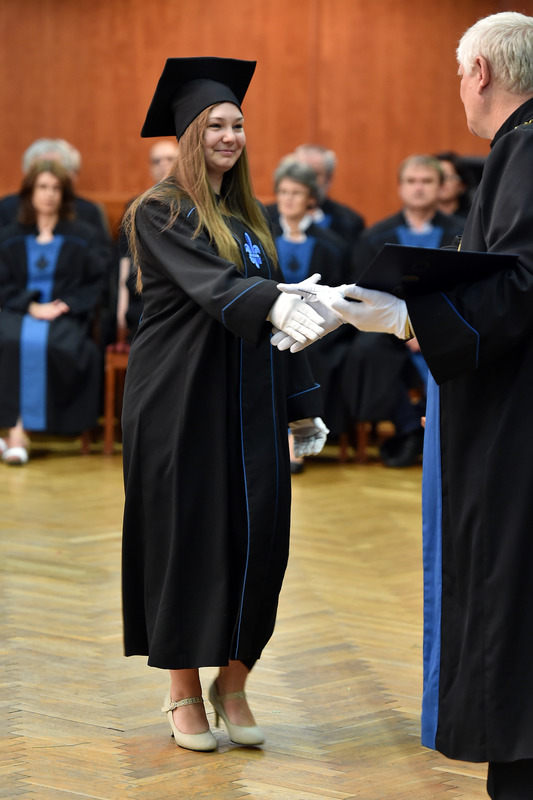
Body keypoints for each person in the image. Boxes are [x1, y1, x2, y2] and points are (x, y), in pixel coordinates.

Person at [282, 12, 533, 798]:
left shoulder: (524, 147)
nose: (458, 88)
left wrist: (407, 317)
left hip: (513, 422)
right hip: (505, 405)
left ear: (480, 73)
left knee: (507, 586)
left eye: (459, 74)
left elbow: (519, 285)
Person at [120, 56, 330, 753]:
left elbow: (279, 319)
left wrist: (301, 402)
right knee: (186, 541)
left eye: (238, 124)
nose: (230, 136)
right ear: (189, 134)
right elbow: (216, 288)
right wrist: (281, 299)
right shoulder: (159, 210)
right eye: (215, 125)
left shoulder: (251, 215)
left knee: (260, 540)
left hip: (251, 401)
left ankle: (233, 682)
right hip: (180, 401)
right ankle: (182, 689)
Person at [343, 154, 464, 467]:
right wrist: (405, 327)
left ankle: (431, 428)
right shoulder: (375, 236)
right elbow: (365, 291)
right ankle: (409, 424)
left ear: (441, 187)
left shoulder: (463, 233)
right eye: (411, 181)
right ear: (400, 187)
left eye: (427, 181)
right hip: (387, 326)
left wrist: (426, 326)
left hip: (446, 322)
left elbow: (466, 287)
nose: (418, 188)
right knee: (365, 350)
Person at [0, 160, 107, 464]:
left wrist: (65, 304)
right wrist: (30, 305)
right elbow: (2, 283)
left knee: (55, 345)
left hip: (64, 314)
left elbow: (96, 282)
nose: (49, 194)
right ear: (30, 193)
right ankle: (16, 433)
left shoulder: (84, 235)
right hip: (17, 309)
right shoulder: (8, 236)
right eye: (42, 187)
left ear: (64, 194)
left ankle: (15, 435)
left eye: (56, 188)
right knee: (9, 340)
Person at [271, 156, 353, 469]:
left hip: (319, 329)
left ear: (311, 199)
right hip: (270, 322)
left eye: (296, 192)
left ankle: (298, 436)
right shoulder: (261, 234)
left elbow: (340, 294)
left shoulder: (332, 244)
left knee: (308, 352)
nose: (288, 199)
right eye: (283, 192)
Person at [116, 140, 178, 342]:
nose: (163, 164)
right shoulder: (136, 207)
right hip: (145, 299)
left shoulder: (197, 205)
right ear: (150, 169)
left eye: (170, 159)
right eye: (156, 161)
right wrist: (121, 310)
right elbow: (125, 261)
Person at [267, 143, 365, 251]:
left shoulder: (348, 223)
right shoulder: (265, 217)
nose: (307, 179)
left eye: (315, 173)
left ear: (329, 178)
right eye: (300, 172)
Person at [434, 150, 475, 219]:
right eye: (437, 177)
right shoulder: (422, 220)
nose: (441, 181)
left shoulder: (472, 220)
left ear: (462, 185)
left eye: (446, 177)